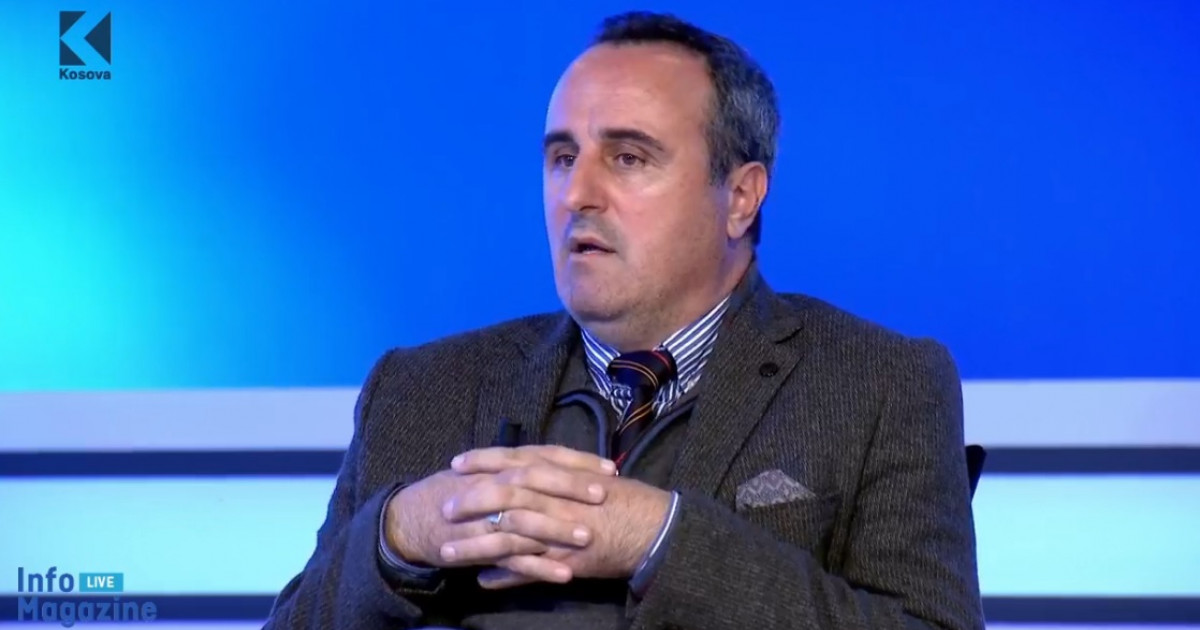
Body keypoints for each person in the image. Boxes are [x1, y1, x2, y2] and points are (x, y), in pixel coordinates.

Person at [263, 10, 984, 630]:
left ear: (740, 197)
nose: (577, 192)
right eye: (561, 158)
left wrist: (660, 540)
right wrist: (397, 538)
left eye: (629, 157)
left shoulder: (879, 384)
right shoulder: (421, 390)